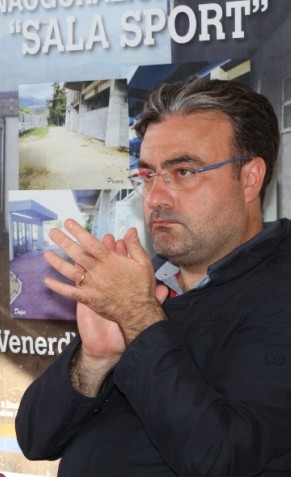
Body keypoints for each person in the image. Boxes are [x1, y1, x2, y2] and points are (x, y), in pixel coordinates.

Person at [15, 77, 291, 476]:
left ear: (249, 178)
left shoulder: (277, 288)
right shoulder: (148, 279)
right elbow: (35, 437)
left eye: (184, 171)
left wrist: (137, 316)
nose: (156, 198)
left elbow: (220, 457)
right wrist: (95, 359)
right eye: (148, 175)